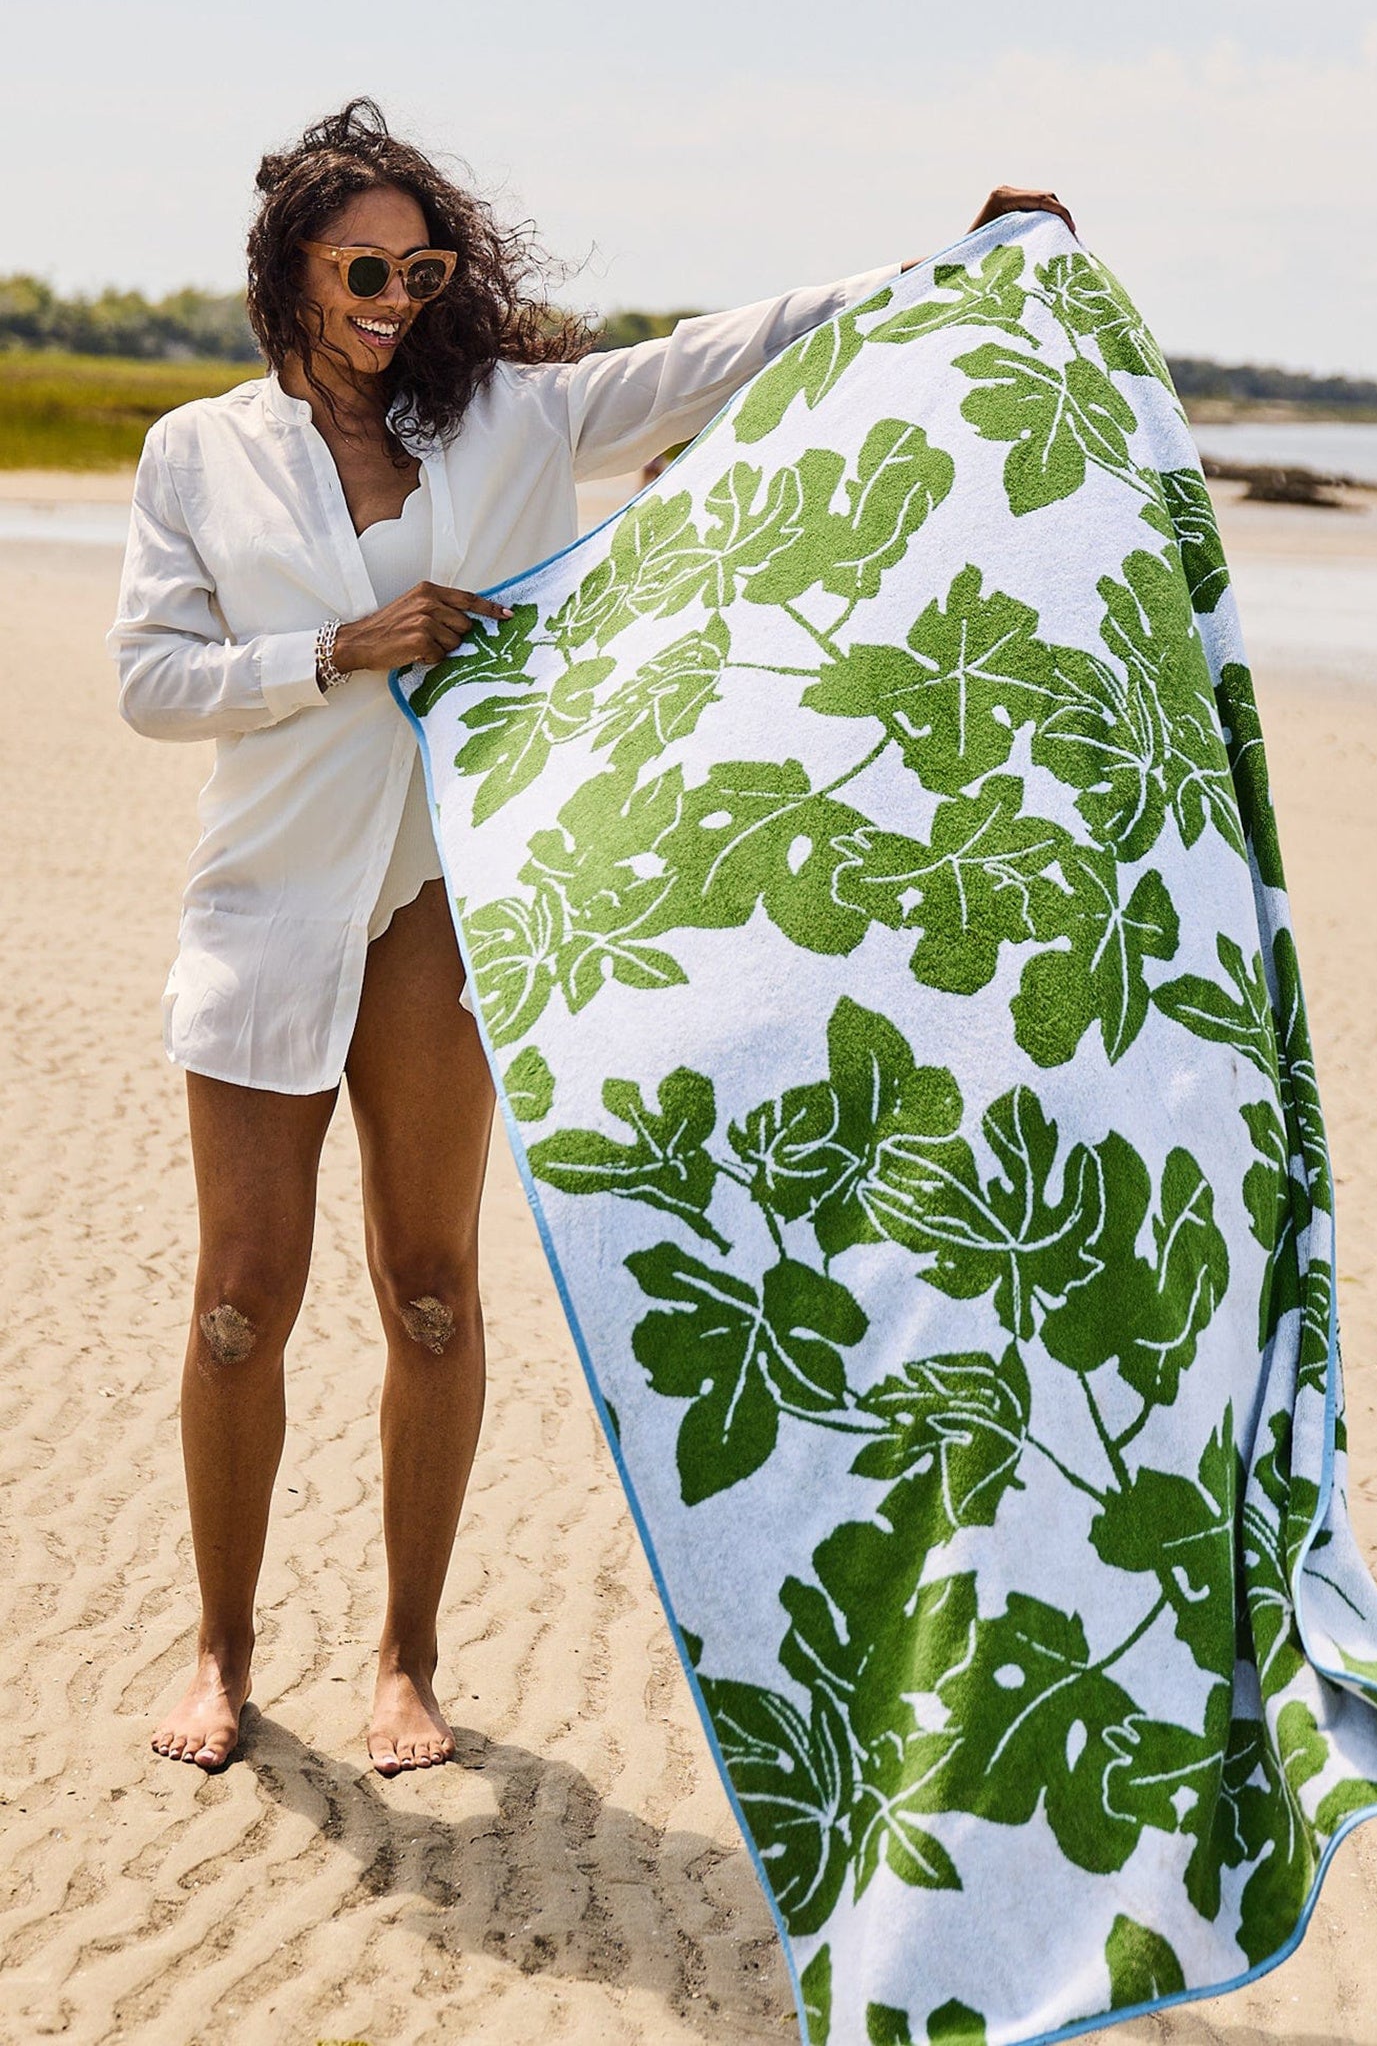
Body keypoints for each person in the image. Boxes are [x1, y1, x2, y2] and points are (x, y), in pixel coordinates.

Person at [109, 96, 1074, 1775]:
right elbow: (150, 681)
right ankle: (222, 1650)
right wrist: (337, 650)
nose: (395, 298)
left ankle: (407, 1660)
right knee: (240, 1303)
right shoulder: (198, 452)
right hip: (264, 904)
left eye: (422, 269)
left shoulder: (515, 416)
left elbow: (723, 356)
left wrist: (947, 264)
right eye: (362, 269)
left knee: (428, 1290)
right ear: (291, 273)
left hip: (444, 900)